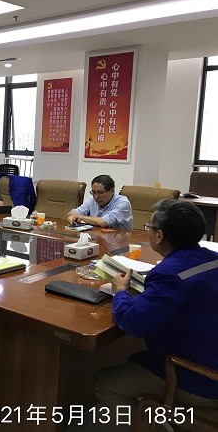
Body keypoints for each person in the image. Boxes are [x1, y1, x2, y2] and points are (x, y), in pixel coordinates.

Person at [94, 199, 218, 429]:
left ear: (159, 236)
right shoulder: (212, 259)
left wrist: (120, 291)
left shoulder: (169, 274)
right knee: (135, 359)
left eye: (149, 227)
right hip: (209, 355)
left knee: (103, 383)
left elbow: (133, 323)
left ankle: (150, 426)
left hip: (200, 378)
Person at [67, 174, 133, 230]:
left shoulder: (123, 203)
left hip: (120, 239)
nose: (96, 196)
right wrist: (71, 217)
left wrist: (80, 217)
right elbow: (74, 213)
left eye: (100, 193)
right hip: (98, 236)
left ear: (112, 191)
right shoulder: (91, 200)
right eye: (93, 192)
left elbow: (103, 222)